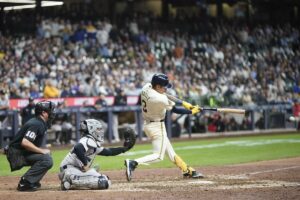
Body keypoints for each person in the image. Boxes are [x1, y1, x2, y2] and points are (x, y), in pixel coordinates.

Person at [124, 73, 204, 182]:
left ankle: (187, 170)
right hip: (157, 126)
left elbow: (167, 95)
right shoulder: (159, 99)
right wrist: (192, 111)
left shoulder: (147, 87)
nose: (166, 89)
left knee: (170, 152)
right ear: (157, 86)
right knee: (158, 156)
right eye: (164, 86)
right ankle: (133, 163)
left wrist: (184, 103)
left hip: (149, 125)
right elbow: (176, 110)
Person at [59, 119, 134, 190]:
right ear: (91, 130)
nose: (100, 131)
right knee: (104, 182)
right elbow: (78, 148)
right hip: (70, 169)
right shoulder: (88, 140)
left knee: (102, 176)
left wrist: (124, 149)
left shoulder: (90, 141)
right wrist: (85, 165)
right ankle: (69, 179)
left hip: (73, 169)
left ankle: (69, 180)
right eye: (98, 129)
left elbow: (109, 152)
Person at [6, 100, 56, 191]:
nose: (52, 113)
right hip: (17, 154)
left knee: (47, 156)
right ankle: (25, 182)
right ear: (44, 113)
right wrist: (42, 151)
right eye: (50, 111)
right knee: (47, 159)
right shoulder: (37, 124)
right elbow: (25, 142)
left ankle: (33, 181)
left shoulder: (40, 122)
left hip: (20, 152)